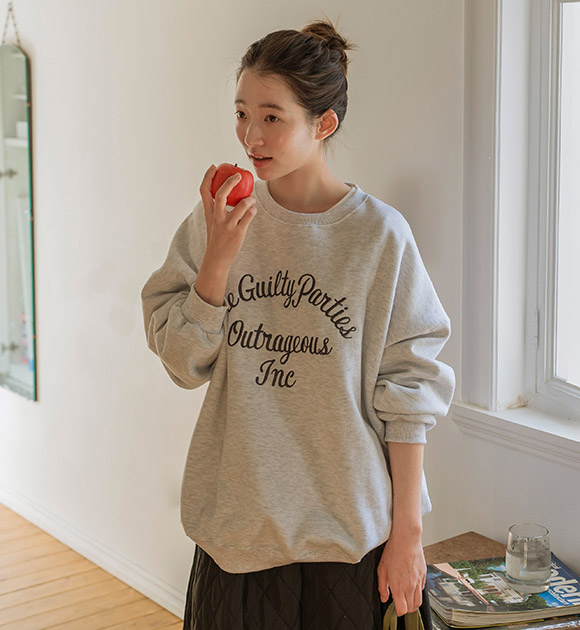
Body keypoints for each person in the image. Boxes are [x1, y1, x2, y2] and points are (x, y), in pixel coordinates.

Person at [141, 17, 456, 630]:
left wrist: (408, 536)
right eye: (241, 113)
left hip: (348, 541)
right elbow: (182, 365)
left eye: (272, 116)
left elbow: (408, 391)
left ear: (323, 123)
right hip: (237, 535)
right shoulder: (218, 218)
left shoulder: (380, 236)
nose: (250, 135)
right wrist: (217, 263)